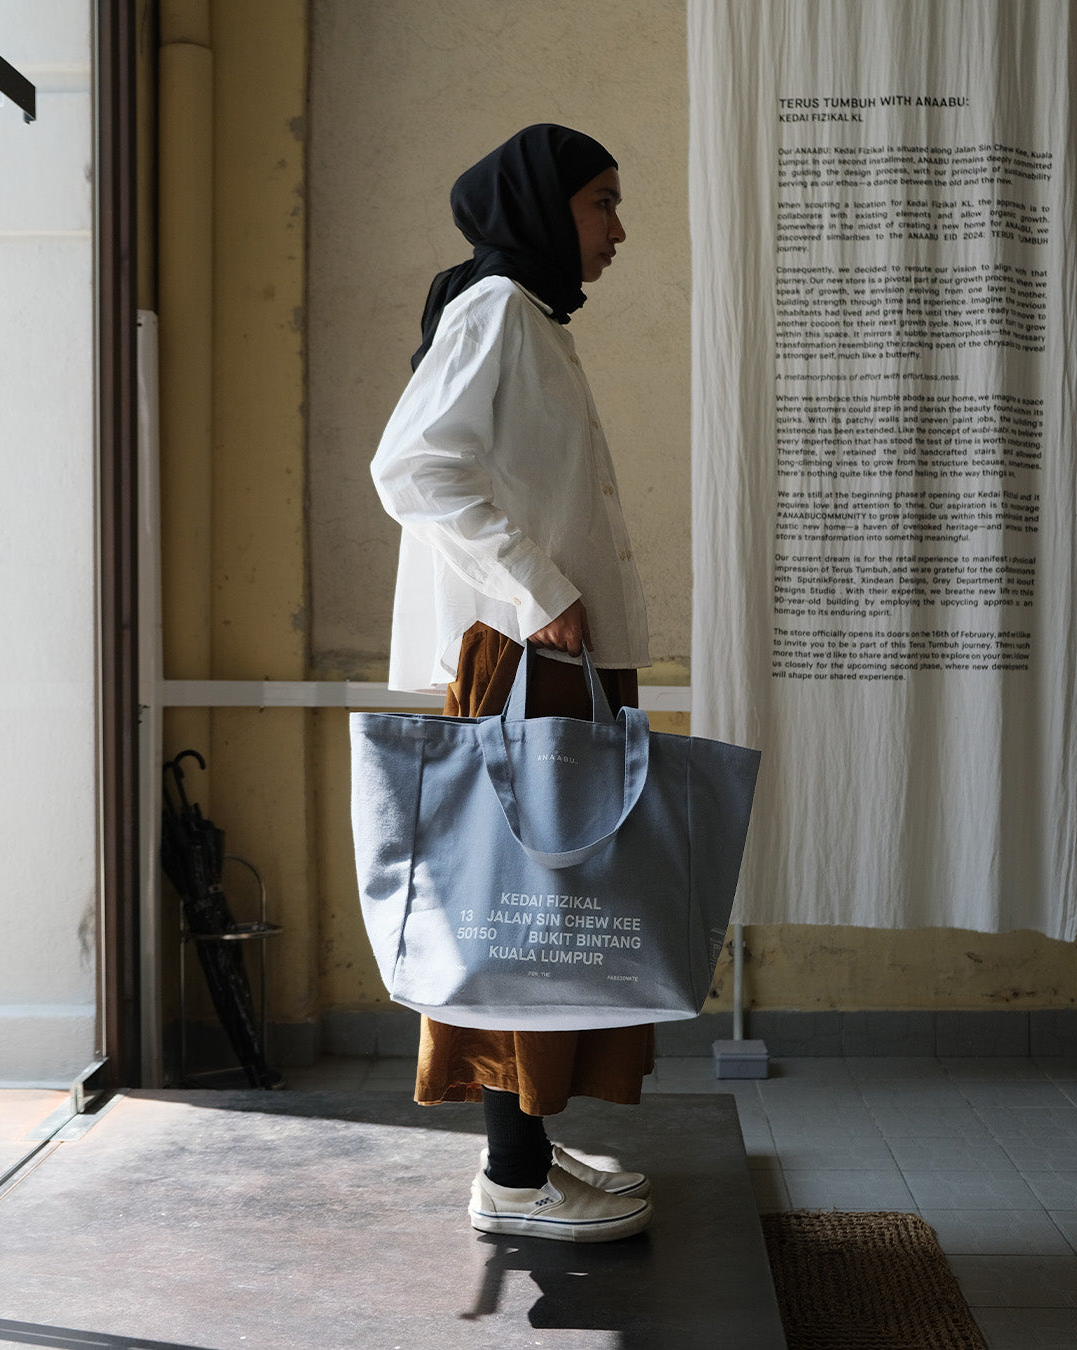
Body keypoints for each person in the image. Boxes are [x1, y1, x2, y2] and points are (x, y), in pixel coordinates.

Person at [370, 124, 653, 1243]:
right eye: (601, 204)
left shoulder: (526, 317)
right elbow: (411, 466)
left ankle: (528, 1148)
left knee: (544, 914)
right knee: (516, 914)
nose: (618, 229)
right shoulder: (495, 312)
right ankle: (513, 1177)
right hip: (521, 661)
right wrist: (536, 587)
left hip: (550, 658)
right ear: (544, 207)